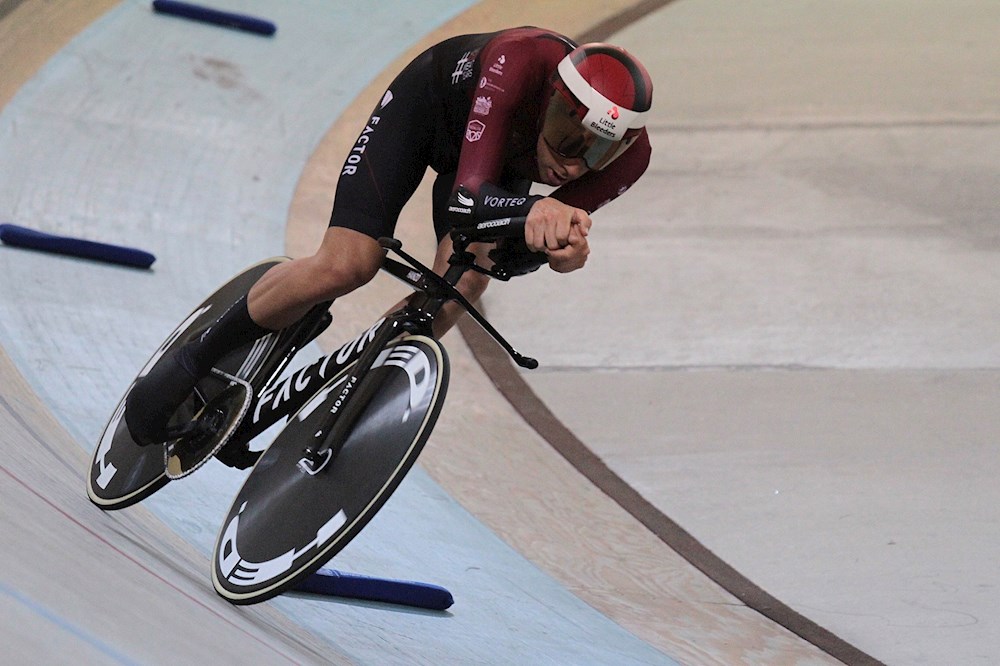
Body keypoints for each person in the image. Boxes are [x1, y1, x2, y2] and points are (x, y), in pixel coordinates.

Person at [125, 26, 654, 447]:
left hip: (495, 166)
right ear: (552, 101)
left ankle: (344, 403)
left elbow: (517, 248)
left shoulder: (634, 160)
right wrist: (534, 212)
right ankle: (195, 357)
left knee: (465, 285)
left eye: (596, 154)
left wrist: (558, 251)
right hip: (428, 113)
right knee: (349, 263)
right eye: (567, 138)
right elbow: (467, 200)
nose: (572, 163)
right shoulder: (518, 60)